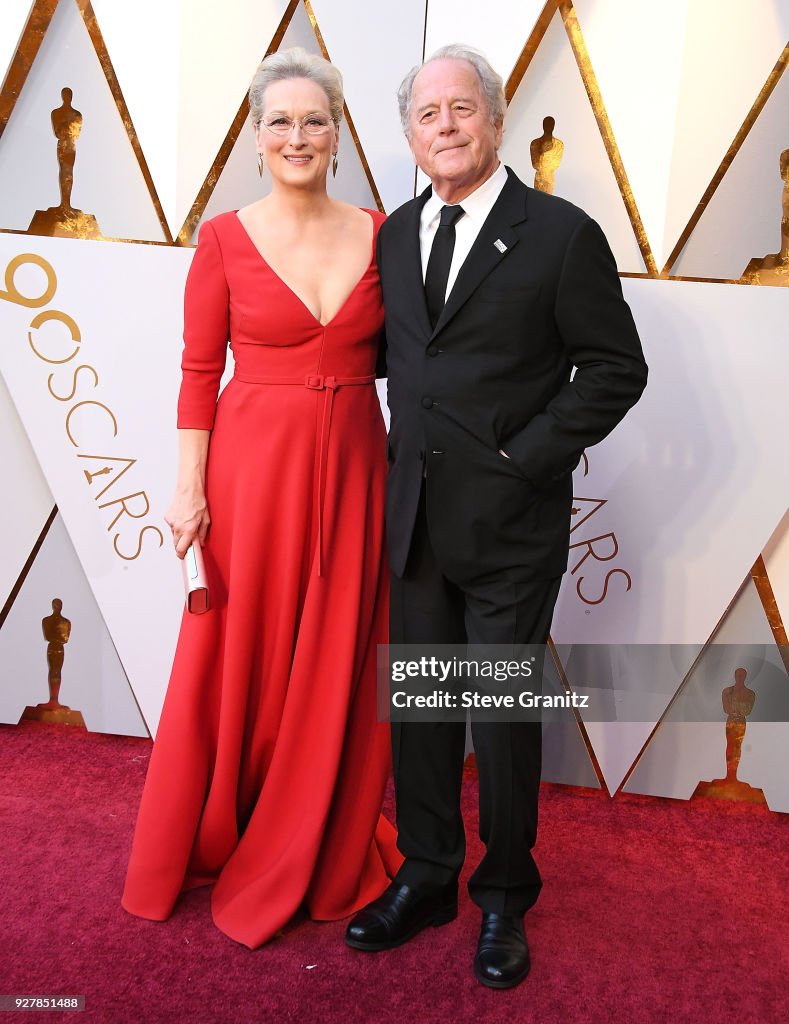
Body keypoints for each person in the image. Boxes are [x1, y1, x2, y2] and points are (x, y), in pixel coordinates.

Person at [345, 45, 648, 988]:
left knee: (502, 719)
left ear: (495, 118)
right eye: (427, 114)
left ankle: (505, 896)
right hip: (416, 522)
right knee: (424, 715)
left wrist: (525, 457)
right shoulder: (394, 235)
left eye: (460, 108)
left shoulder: (560, 234)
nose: (444, 126)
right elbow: (405, 364)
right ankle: (430, 874)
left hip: (512, 526)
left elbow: (613, 368)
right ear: (409, 135)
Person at [122, 47, 400, 948]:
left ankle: (317, 828)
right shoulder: (224, 237)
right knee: (241, 651)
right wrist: (186, 491)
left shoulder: (381, 230)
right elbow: (199, 372)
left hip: (358, 467)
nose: (296, 135)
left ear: (338, 133)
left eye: (313, 120)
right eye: (278, 121)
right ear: (253, 137)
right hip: (252, 474)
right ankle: (228, 822)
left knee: (340, 649)